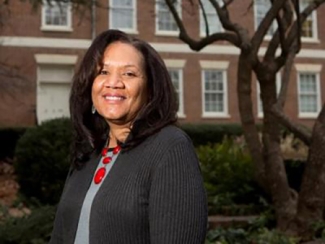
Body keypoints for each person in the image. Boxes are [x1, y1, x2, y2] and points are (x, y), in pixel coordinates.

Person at [49, 29, 208, 244]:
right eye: (103, 72)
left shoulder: (170, 147)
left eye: (129, 74)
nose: (113, 83)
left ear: (150, 90)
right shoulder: (89, 151)